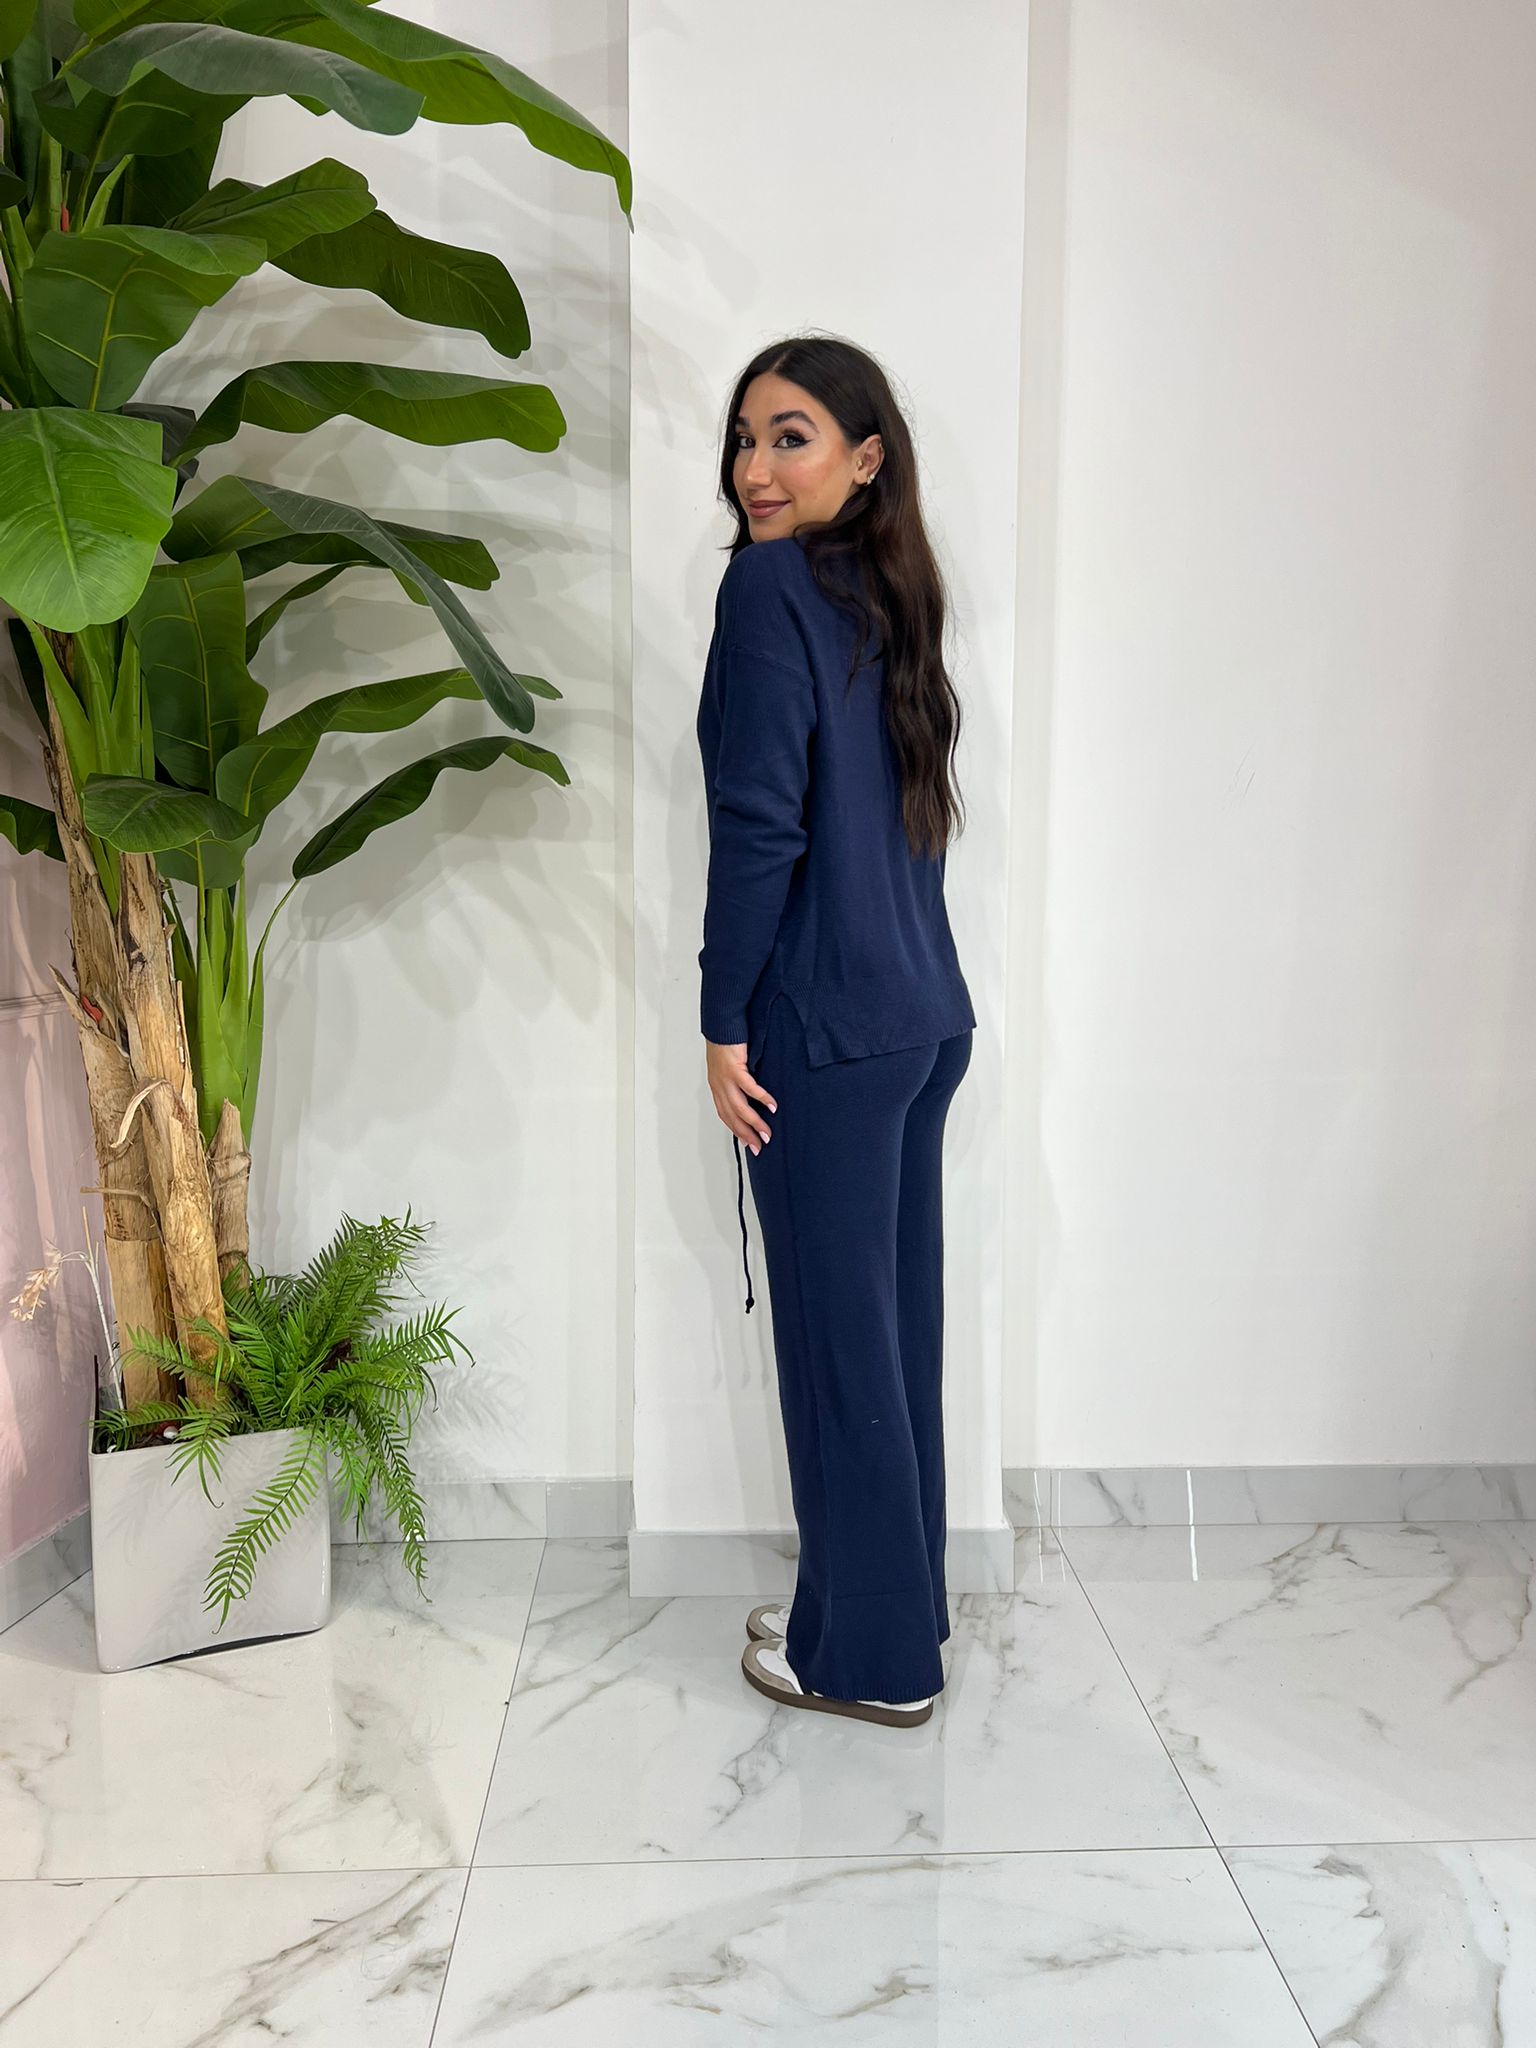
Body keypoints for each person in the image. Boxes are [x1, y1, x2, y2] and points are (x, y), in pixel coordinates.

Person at [695, 336, 977, 1730]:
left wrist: (722, 1016)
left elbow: (761, 824)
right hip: (920, 1019)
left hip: (824, 1029)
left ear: (866, 458)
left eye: (791, 437)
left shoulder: (769, 590)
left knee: (838, 1351)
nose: (757, 467)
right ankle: (891, 1609)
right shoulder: (886, 590)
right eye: (746, 438)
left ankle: (866, 1661)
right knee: (892, 1340)